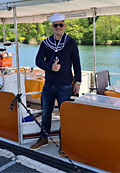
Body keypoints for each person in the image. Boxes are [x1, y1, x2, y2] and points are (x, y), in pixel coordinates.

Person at [30, 13, 82, 150]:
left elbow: (77, 63)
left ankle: (64, 144)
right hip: (49, 84)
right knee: (46, 113)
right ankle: (43, 138)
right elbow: (38, 61)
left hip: (65, 85)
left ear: (64, 26)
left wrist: (78, 81)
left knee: (65, 115)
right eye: (55, 25)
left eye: (61, 25)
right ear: (52, 27)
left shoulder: (70, 42)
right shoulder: (46, 43)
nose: (58, 27)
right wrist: (50, 67)